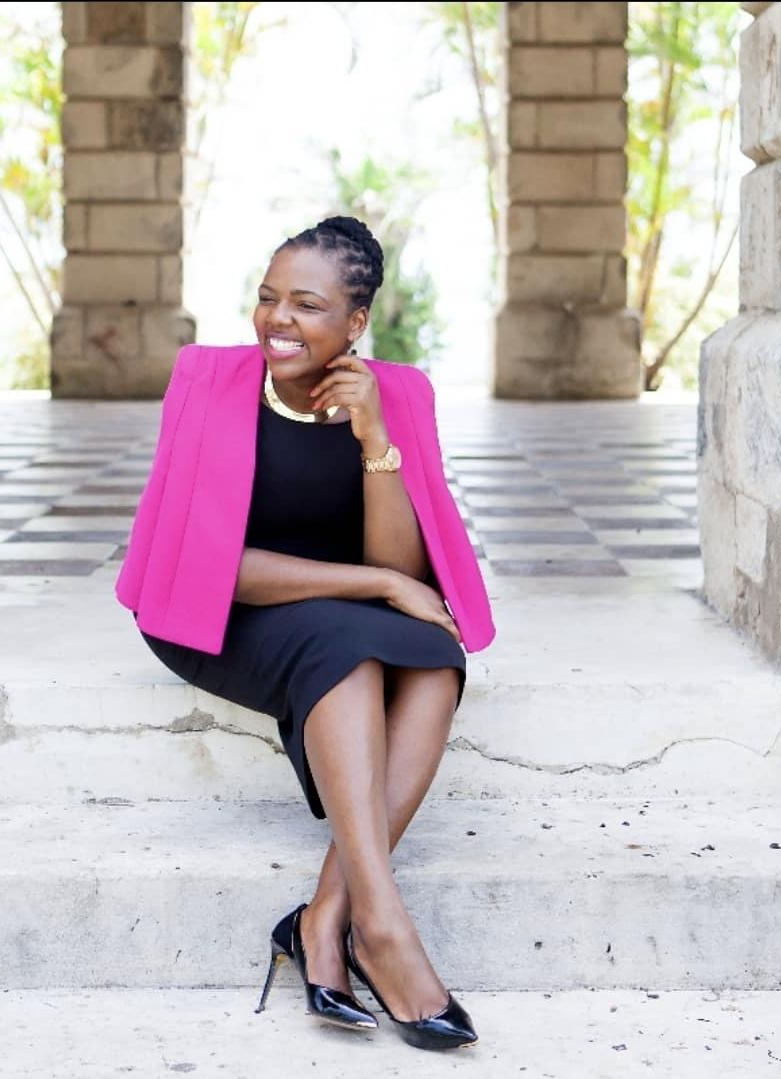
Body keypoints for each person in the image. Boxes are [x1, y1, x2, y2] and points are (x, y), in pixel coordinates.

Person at [114, 216, 496, 1051]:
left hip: (334, 613)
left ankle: (326, 917)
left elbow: (397, 559)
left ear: (356, 323)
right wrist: (378, 585)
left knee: (436, 657)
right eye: (268, 297)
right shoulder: (207, 380)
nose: (277, 319)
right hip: (218, 615)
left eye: (306, 305)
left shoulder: (400, 395)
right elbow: (214, 569)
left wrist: (375, 440)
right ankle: (383, 927)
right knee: (347, 650)